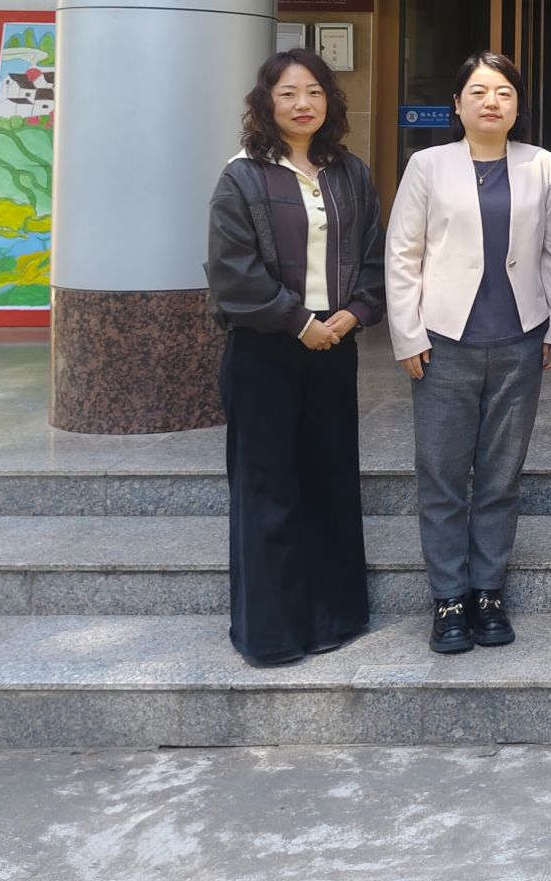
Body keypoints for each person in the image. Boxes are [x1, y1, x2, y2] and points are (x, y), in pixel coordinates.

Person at [205, 48, 385, 668]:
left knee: (330, 482)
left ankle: (334, 617)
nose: (302, 103)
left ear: (330, 100)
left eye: (313, 91)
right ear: (266, 103)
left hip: (334, 346)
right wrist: (296, 321)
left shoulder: (350, 173)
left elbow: (372, 257)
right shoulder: (243, 176)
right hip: (265, 352)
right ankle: (272, 633)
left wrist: (355, 312)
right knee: (268, 489)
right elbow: (232, 271)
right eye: (287, 93)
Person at [385, 52, 551, 655]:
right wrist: (408, 334)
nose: (492, 102)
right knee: (441, 475)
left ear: (518, 105)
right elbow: (402, 254)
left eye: (505, 93)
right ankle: (447, 598)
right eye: (479, 92)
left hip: (519, 339)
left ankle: (488, 592)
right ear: (457, 104)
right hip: (443, 343)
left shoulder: (541, 164)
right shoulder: (427, 165)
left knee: (500, 476)